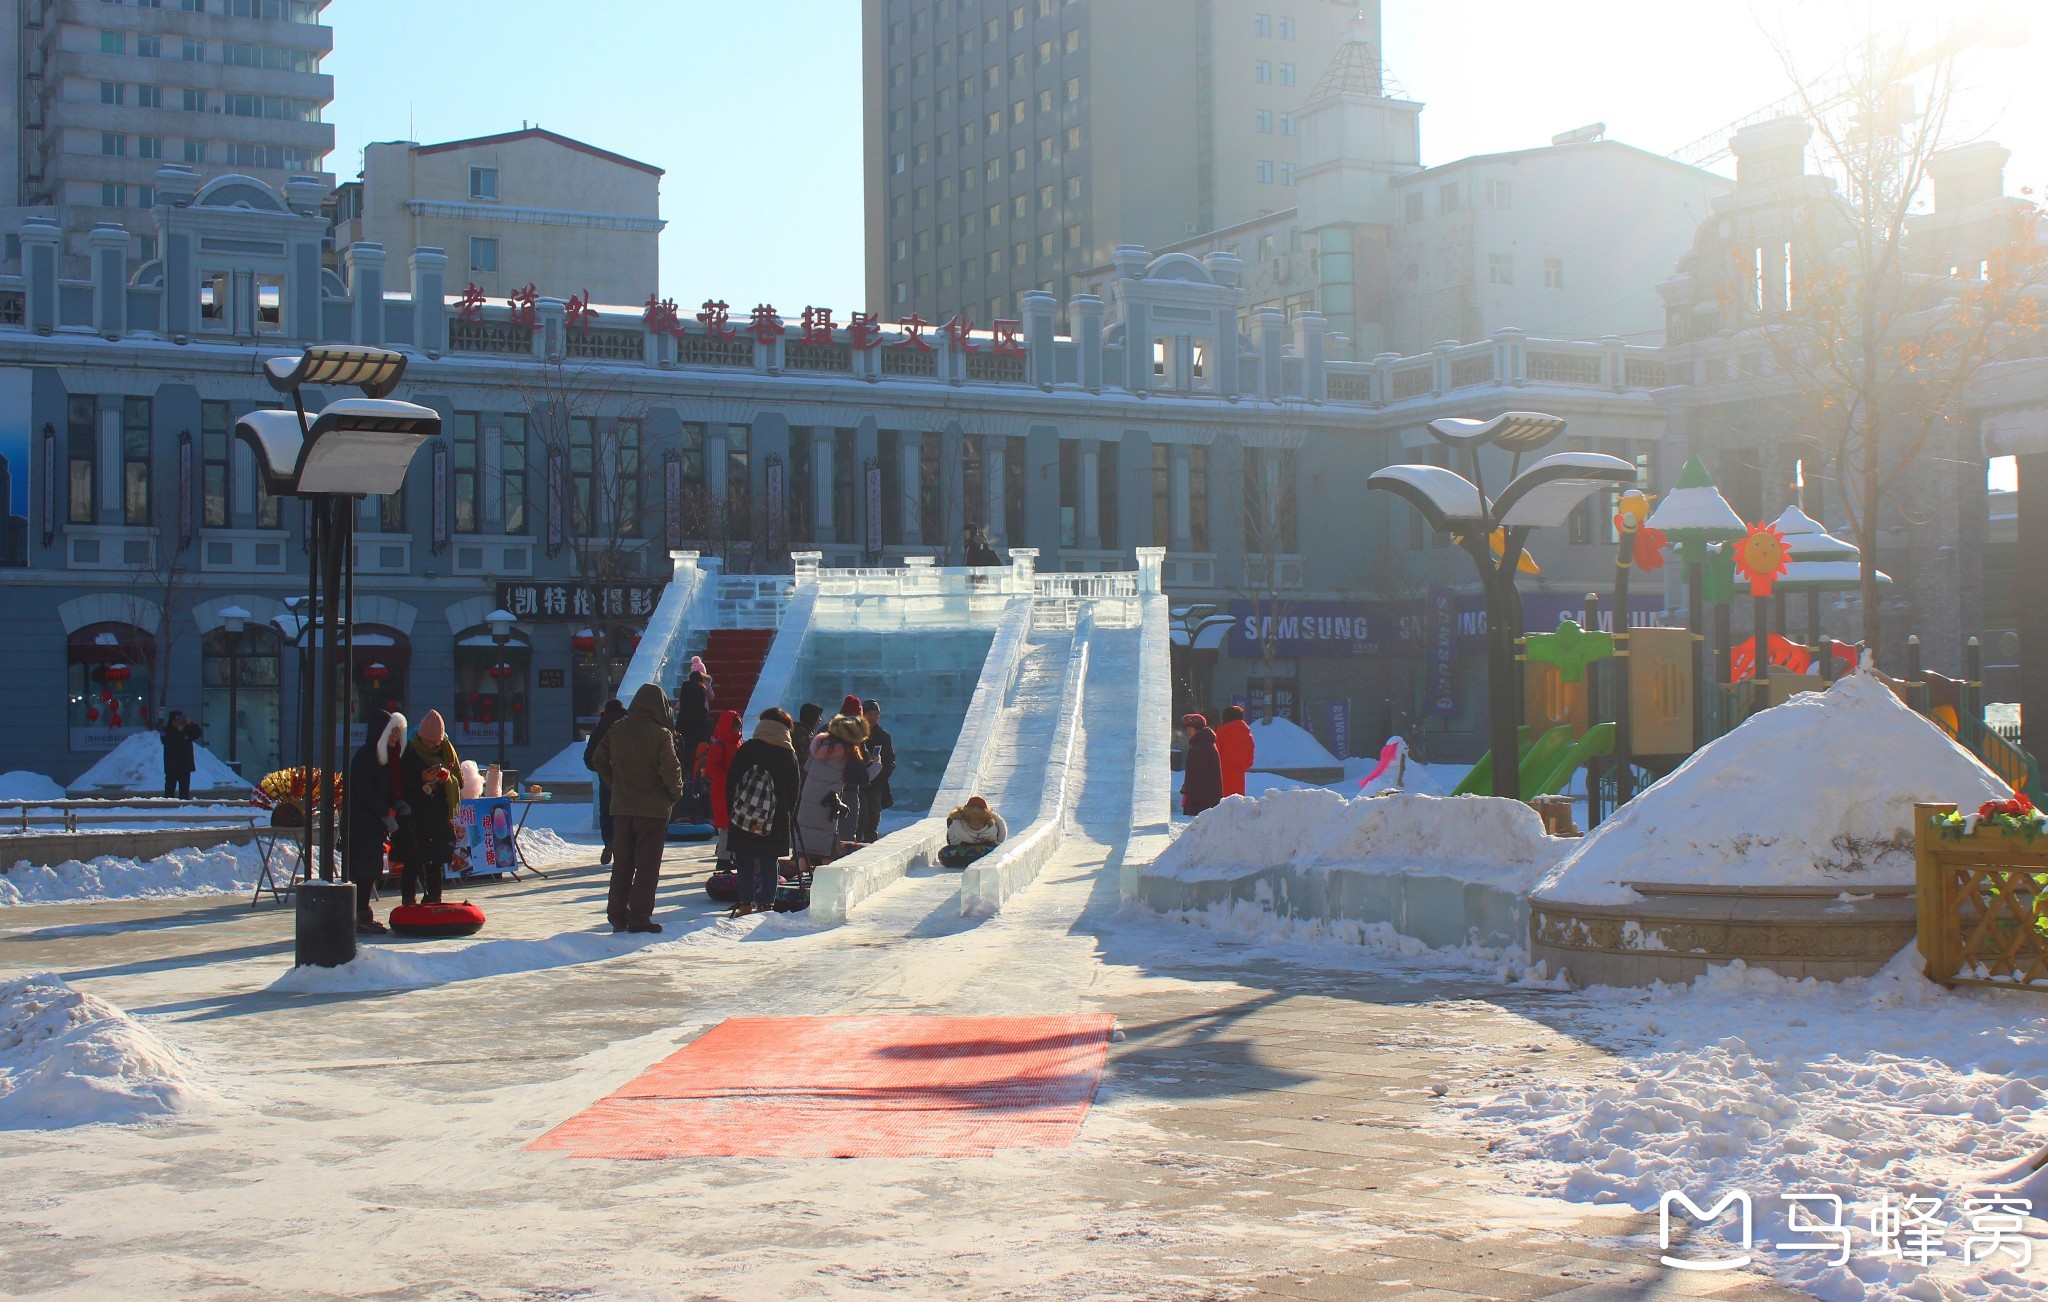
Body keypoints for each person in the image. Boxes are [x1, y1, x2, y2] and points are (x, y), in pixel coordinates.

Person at [591, 682, 684, 934]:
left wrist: (614, 783)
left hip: (621, 808)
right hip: (652, 811)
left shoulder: (617, 729)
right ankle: (640, 916)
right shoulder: (660, 734)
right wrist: (674, 794)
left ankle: (617, 915)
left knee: (622, 864)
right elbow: (670, 769)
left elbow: (598, 759)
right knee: (646, 865)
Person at [723, 707, 801, 916]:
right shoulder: (788, 753)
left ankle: (746, 902)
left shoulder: (747, 749)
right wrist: (787, 813)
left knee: (745, 859)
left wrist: (734, 810)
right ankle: (767, 904)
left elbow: (732, 781)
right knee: (769, 860)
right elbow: (794, 789)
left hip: (744, 814)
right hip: (775, 817)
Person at [344, 709, 407, 935]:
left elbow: (385, 787)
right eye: (392, 732)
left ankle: (363, 913)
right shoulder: (366, 756)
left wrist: (397, 802)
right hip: (361, 824)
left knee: (371, 870)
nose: (395, 737)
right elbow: (365, 791)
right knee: (363, 870)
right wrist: (384, 814)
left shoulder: (385, 757)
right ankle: (359, 915)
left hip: (374, 825)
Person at [396, 709, 461, 909]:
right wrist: (420, 779)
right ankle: (408, 902)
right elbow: (400, 783)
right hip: (414, 816)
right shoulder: (408, 751)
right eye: (429, 742)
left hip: (438, 815)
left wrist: (445, 778)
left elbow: (459, 779)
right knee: (413, 860)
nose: (433, 746)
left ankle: (434, 899)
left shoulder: (446, 750)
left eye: (436, 743)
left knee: (435, 861)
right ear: (420, 737)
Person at [795, 700, 867, 870]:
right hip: (827, 804)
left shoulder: (820, 744)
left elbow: (806, 767)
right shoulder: (849, 752)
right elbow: (863, 779)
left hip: (808, 799)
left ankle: (800, 883)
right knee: (827, 850)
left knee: (804, 849)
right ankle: (823, 886)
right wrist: (877, 765)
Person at [583, 698, 626, 866]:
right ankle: (623, 848)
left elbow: (589, 758)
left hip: (606, 780)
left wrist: (604, 771)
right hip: (627, 779)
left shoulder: (600, 729)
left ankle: (609, 841)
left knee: (606, 813)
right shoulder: (627, 727)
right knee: (624, 815)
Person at [702, 708, 744, 868]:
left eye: (739, 727)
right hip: (722, 792)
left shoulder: (738, 744)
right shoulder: (719, 746)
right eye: (735, 727)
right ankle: (724, 859)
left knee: (734, 826)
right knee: (726, 827)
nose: (738, 730)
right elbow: (713, 769)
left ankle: (729, 856)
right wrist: (730, 781)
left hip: (735, 791)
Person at [857, 698, 896, 843]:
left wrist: (884, 772)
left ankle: (870, 844)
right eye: (870, 714)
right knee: (861, 818)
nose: (873, 717)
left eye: (876, 714)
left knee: (873, 818)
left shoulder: (884, 735)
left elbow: (890, 758)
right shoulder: (858, 734)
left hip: (877, 784)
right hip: (860, 783)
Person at [939, 795, 1008, 867]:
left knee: (997, 850)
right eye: (972, 823)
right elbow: (953, 843)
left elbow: (997, 842)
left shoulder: (992, 829)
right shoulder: (958, 827)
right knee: (945, 853)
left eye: (979, 823)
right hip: (964, 848)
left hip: (986, 847)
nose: (976, 826)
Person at [1180, 713, 1223, 818]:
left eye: (1190, 728)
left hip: (1203, 799)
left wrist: (1194, 798)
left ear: (1197, 728)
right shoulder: (1203, 743)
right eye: (1186, 728)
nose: (1187, 731)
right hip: (1206, 797)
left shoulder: (1201, 747)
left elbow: (1199, 775)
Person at [673, 668, 712, 774]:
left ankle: (685, 767)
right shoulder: (701, 688)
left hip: (683, 721)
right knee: (696, 745)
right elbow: (702, 706)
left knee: (685, 746)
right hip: (698, 722)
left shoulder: (685, 687)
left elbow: (681, 703)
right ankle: (695, 768)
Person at [1215, 704, 1256, 800]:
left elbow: (1215, 755)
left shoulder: (1221, 732)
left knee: (1221, 808)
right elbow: (1250, 759)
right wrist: (1240, 767)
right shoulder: (1247, 735)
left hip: (1221, 778)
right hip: (1239, 778)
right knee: (1237, 807)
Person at [159, 711, 203, 799]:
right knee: (169, 790)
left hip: (185, 765)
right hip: (172, 765)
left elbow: (198, 733)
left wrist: (190, 724)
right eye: (177, 720)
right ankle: (168, 807)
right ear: (172, 721)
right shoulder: (166, 730)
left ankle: (184, 808)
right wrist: (179, 732)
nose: (179, 722)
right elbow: (167, 740)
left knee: (184, 791)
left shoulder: (187, 730)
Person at [792, 702, 824, 776]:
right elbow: (806, 760)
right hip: (800, 775)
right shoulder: (803, 735)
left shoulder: (798, 730)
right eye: (818, 717)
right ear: (812, 718)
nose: (820, 720)